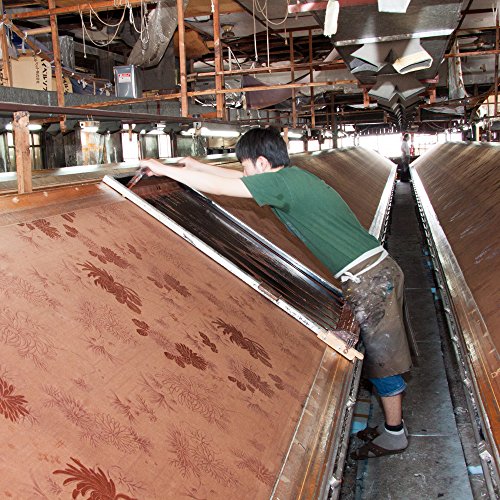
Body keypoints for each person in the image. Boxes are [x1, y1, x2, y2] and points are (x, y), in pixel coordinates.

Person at [139, 127, 412, 459]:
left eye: (246, 165)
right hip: (373, 272)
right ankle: (390, 424)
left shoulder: (281, 184)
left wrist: (164, 169)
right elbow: (237, 180)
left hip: (371, 279)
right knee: (377, 350)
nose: (245, 172)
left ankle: (395, 434)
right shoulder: (290, 178)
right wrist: (195, 166)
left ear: (263, 163)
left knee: (383, 357)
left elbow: (229, 187)